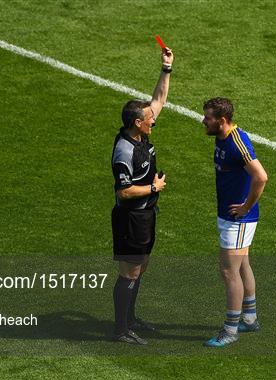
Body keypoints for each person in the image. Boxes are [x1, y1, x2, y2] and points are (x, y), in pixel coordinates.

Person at [110, 46, 174, 345]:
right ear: (137, 122)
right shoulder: (124, 150)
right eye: (149, 117)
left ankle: (131, 319)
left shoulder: (142, 133)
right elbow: (124, 190)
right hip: (131, 217)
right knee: (130, 271)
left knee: (141, 266)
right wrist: (152, 188)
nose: (154, 117)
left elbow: (160, 99)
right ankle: (122, 330)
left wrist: (166, 68)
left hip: (147, 214)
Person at [201, 97, 268, 348]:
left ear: (222, 120)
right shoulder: (223, 138)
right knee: (242, 266)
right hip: (231, 216)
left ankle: (230, 330)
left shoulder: (236, 144)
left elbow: (261, 177)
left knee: (229, 271)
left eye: (208, 117)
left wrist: (245, 207)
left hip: (237, 219)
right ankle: (249, 318)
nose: (203, 121)